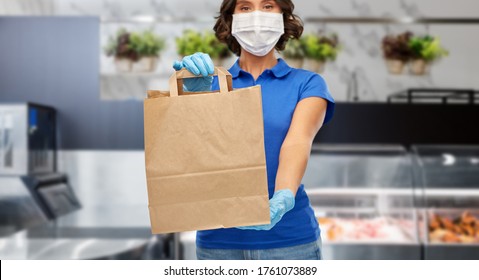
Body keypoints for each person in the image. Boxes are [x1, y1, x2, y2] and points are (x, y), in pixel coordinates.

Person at [172, 0, 335, 260]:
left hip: (290, 241)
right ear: (231, 19)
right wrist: (188, 92)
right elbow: (186, 148)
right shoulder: (210, 83)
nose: (257, 14)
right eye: (245, 7)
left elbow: (297, 143)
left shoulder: (307, 84)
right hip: (218, 241)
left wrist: (282, 197)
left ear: (283, 16)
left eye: (267, 5)